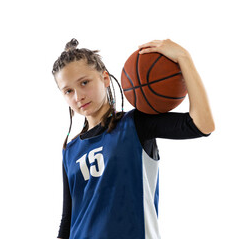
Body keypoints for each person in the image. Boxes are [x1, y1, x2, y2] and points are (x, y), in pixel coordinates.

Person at [52, 38, 215, 239]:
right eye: (68, 91)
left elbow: (202, 125)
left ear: (104, 78)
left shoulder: (136, 124)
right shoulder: (70, 150)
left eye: (84, 83)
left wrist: (184, 58)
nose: (78, 96)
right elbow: (68, 220)